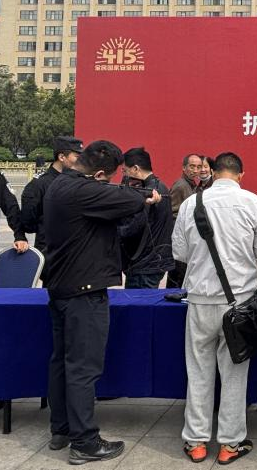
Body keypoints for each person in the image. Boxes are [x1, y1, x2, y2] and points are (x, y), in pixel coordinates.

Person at [42, 140, 161, 465]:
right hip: (83, 291)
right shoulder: (82, 191)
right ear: (98, 175)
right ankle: (84, 441)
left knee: (62, 362)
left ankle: (61, 429)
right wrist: (145, 195)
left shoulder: (59, 184)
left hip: (61, 287)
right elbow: (128, 199)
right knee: (83, 367)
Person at [172, 152, 257, 465]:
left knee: (198, 372)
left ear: (213, 172)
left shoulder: (191, 204)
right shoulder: (255, 203)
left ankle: (196, 442)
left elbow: (180, 253)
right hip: (239, 303)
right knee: (234, 375)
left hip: (200, 300)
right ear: (241, 174)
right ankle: (230, 444)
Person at [119, 147, 175, 289]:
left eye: (125, 170)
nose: (124, 175)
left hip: (144, 264)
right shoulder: (160, 186)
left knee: (137, 302)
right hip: (153, 261)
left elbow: (132, 227)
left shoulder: (148, 192)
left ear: (135, 168)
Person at [20, 136, 84, 253]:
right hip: (49, 250)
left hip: (76, 250)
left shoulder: (81, 181)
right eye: (77, 157)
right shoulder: (40, 184)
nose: (81, 161)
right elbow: (28, 221)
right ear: (62, 157)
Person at [167, 153, 204, 289]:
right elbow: (171, 213)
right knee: (177, 279)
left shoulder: (192, 185)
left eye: (199, 167)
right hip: (180, 242)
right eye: (192, 166)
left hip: (186, 241)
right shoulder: (181, 186)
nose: (195, 170)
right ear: (184, 168)